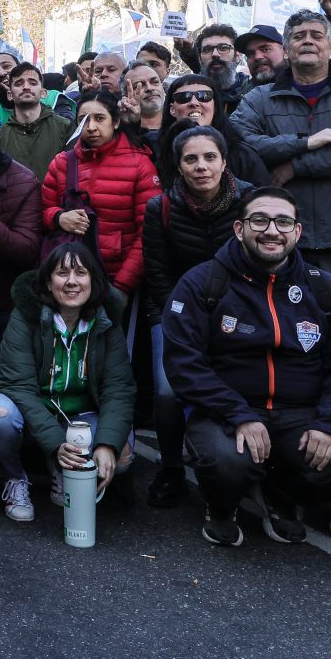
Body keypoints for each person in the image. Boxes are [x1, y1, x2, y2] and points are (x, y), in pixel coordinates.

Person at [162, 187, 331, 547]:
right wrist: (237, 413)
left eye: (283, 221)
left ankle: (279, 492)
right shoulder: (203, 282)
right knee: (225, 464)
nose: (272, 230)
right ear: (240, 229)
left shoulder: (323, 288)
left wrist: (330, 423)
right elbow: (184, 362)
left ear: (297, 232)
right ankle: (221, 504)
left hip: (301, 414)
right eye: (260, 220)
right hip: (226, 412)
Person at [0, 244, 134, 524]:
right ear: (47, 281)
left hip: (80, 416)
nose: (71, 281)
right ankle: (15, 478)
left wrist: (107, 444)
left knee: (124, 458)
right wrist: (56, 445)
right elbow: (18, 386)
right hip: (30, 408)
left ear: (93, 280)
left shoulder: (106, 320)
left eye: (81, 272)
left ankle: (63, 470)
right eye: (62, 272)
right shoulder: (26, 316)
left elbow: (119, 387)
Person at [230, 9, 331, 291]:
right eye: (298, 36)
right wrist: (305, 141)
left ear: (330, 46)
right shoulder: (259, 98)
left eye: (317, 36)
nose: (308, 41)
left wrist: (296, 166)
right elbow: (237, 144)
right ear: (287, 49)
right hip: (280, 238)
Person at [140, 126, 252, 509]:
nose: (201, 166)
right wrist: (187, 324)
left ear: (224, 161)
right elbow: (158, 274)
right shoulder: (161, 207)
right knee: (169, 391)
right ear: (178, 165)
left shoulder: (250, 201)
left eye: (209, 157)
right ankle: (171, 469)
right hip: (175, 312)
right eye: (191, 158)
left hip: (242, 312)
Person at [41, 91, 159, 296]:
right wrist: (58, 217)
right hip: (69, 279)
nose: (91, 126)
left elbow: (148, 233)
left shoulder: (140, 164)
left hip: (115, 276)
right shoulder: (62, 162)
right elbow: (42, 212)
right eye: (84, 120)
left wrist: (122, 286)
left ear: (115, 122)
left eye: (99, 118)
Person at [155, 74, 269, 188]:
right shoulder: (153, 149)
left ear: (214, 106)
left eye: (204, 96)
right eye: (184, 97)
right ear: (172, 109)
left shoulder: (242, 155)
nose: (194, 103)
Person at [0, 63, 75, 181]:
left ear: (43, 93)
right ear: (10, 94)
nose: (26, 87)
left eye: (33, 83)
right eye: (19, 83)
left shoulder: (65, 127)